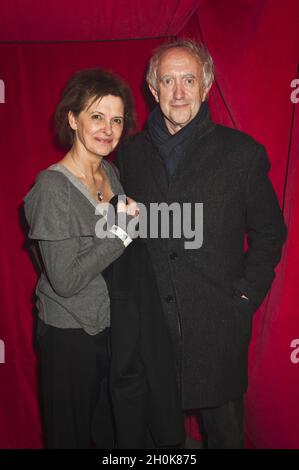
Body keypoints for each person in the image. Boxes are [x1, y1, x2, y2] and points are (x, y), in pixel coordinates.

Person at [116, 39, 287, 449]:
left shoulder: (242, 155)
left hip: (217, 330)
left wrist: (244, 297)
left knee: (225, 437)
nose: (178, 93)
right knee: (156, 441)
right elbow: (117, 230)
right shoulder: (127, 157)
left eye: (189, 80)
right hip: (148, 330)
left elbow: (270, 232)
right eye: (168, 81)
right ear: (152, 89)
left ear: (206, 86)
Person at [23, 68, 138, 448]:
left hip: (109, 330)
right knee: (69, 438)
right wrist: (122, 233)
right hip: (68, 335)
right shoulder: (51, 186)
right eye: (97, 116)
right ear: (73, 119)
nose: (108, 128)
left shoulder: (110, 172)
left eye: (116, 119)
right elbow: (66, 280)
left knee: (107, 436)